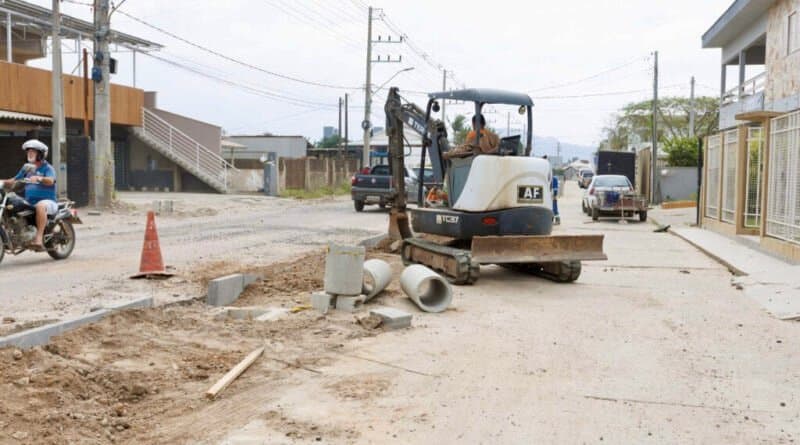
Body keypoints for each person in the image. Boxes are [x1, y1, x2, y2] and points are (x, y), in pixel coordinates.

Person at [5, 140, 57, 250]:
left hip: (48, 202)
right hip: (29, 201)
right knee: (11, 202)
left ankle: (38, 238)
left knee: (40, 206)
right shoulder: (26, 168)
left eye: (33, 151)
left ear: (41, 154)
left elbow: (51, 181)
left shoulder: (47, 168)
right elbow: (14, 180)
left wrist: (40, 178)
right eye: (28, 151)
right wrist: (2, 182)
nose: (30, 153)